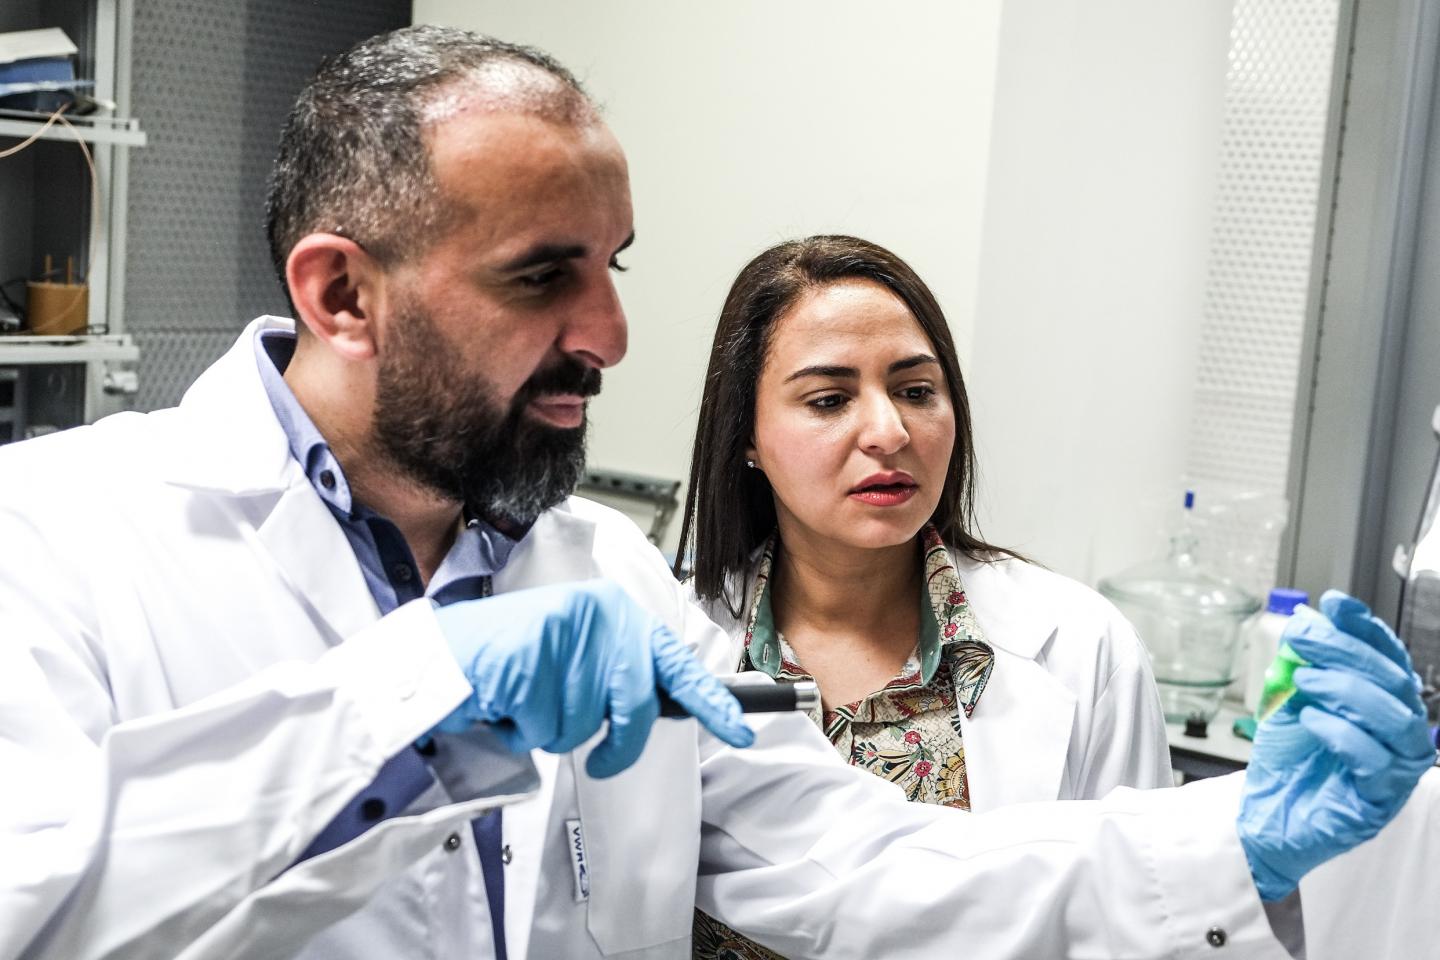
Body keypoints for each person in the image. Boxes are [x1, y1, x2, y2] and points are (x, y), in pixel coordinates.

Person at [0, 25, 1431, 960]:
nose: (612, 335)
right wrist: (410, 693)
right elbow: (38, 903)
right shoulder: (55, 539)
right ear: (340, 294)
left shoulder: (597, 577)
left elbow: (865, 869)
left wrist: (1233, 832)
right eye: (540, 276)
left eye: (612, 267)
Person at [678, 235, 1172, 959]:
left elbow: (1141, 916)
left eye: (915, 391)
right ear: (746, 434)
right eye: (829, 399)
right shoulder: (678, 642)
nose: (889, 431)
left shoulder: (1081, 646)